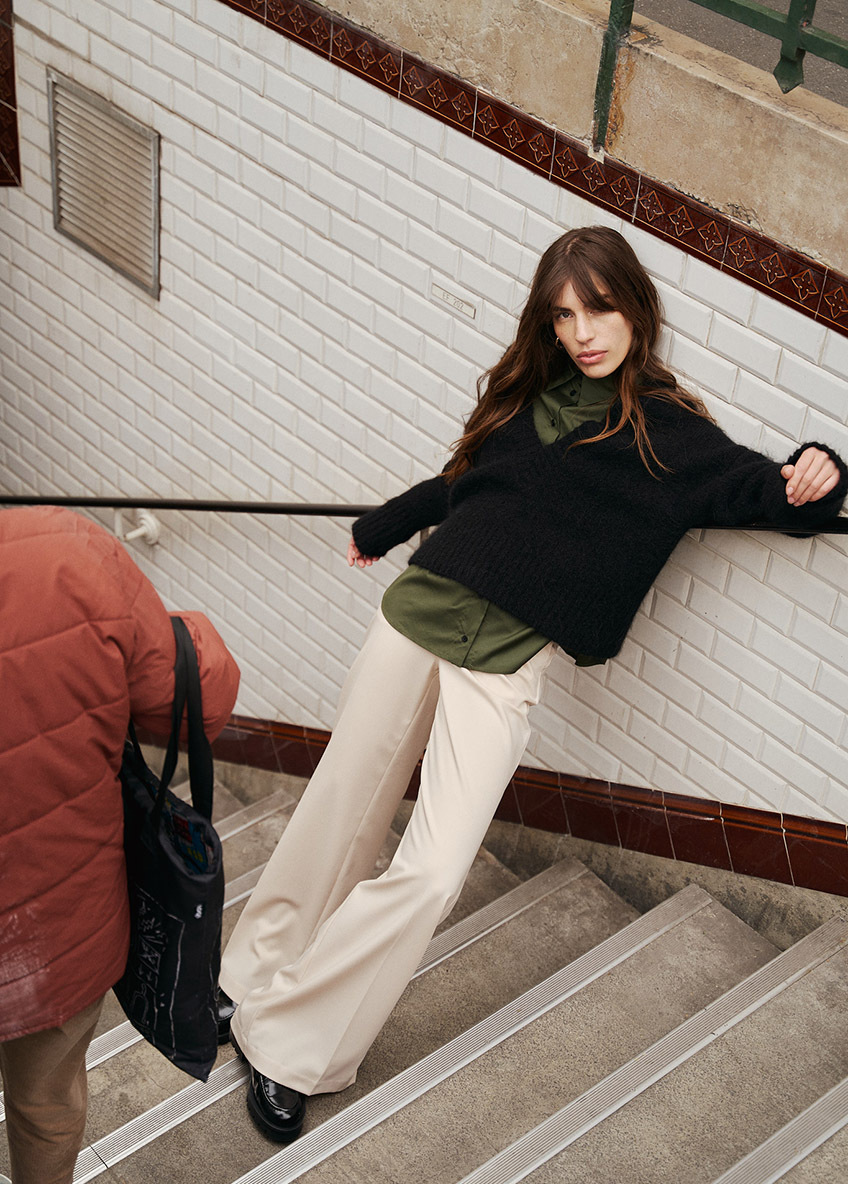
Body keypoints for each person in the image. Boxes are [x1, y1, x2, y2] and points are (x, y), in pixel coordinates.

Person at [217, 226, 847, 1143]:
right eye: (563, 316)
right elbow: (466, 482)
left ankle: (288, 1045)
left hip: (504, 661)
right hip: (415, 621)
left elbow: (775, 495)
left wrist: (821, 467)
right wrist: (384, 524)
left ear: (636, 307)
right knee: (340, 806)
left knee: (432, 868)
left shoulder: (672, 436)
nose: (582, 332)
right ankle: (246, 978)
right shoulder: (529, 398)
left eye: (598, 308)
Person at [0, 506, 240, 1184]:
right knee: (45, 1104)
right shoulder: (69, 551)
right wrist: (168, 630)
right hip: (54, 938)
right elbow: (198, 704)